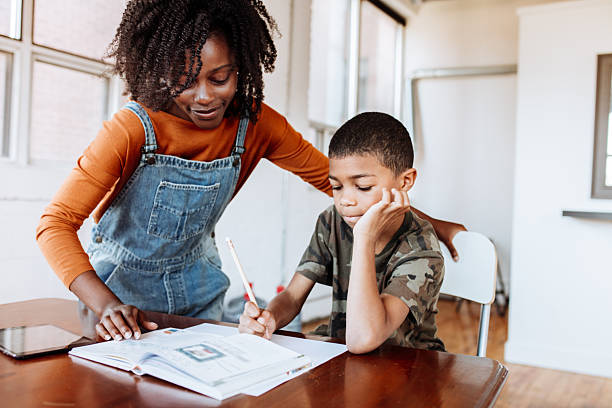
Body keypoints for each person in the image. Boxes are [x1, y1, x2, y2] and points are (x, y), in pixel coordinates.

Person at [36, 0, 462, 343]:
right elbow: (54, 224)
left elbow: (339, 184)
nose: (203, 97)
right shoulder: (131, 128)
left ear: (242, 69)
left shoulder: (256, 126)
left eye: (219, 78)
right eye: (184, 80)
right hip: (120, 298)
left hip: (201, 289)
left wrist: (423, 219)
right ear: (159, 71)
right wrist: (106, 304)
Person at [239, 112, 446, 353]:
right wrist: (270, 317)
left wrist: (364, 237)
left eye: (363, 187)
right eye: (336, 186)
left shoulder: (422, 248)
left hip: (406, 366)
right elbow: (293, 297)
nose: (345, 200)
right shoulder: (331, 222)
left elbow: (363, 339)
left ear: (405, 182)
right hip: (344, 356)